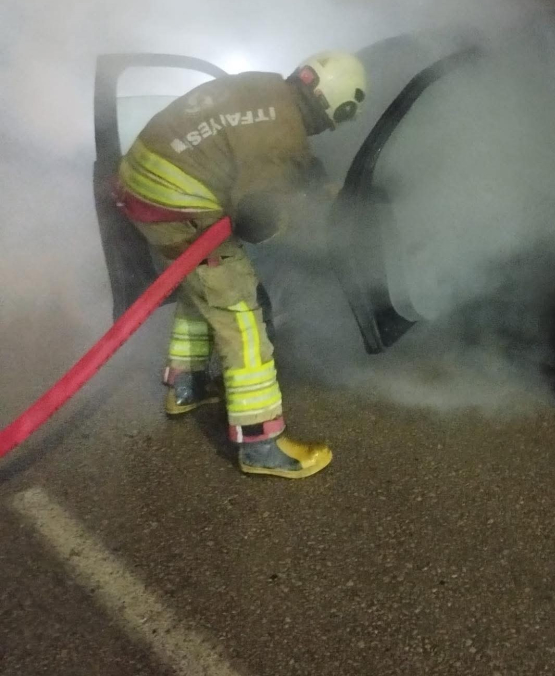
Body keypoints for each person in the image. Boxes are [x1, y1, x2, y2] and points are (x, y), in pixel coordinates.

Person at [114, 51, 367, 479]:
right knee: (240, 312)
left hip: (141, 186)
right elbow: (254, 221)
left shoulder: (264, 85)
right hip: (178, 206)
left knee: (200, 288)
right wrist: (298, 213)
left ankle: (186, 385)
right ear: (336, 107)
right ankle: (260, 443)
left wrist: (309, 178)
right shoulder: (282, 135)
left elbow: (258, 147)